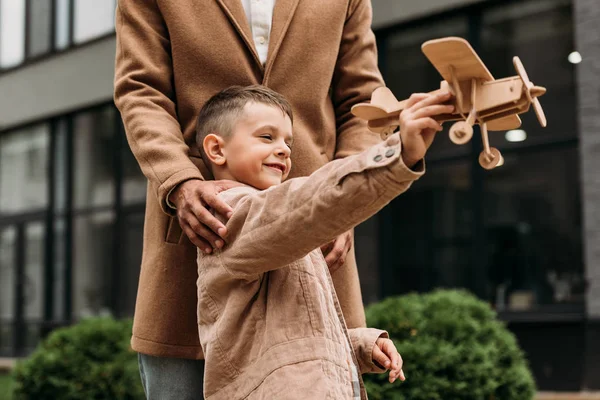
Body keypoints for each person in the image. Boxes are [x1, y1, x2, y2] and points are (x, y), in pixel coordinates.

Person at [114, 0, 399, 398]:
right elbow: (141, 90)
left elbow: (363, 104)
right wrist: (179, 182)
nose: (281, 149)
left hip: (320, 241)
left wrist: (341, 202)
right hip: (199, 232)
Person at [194, 85, 452, 399]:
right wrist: (399, 154)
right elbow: (309, 203)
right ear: (217, 150)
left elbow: (294, 335)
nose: (285, 149)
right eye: (267, 137)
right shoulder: (231, 215)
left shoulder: (277, 226)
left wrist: (360, 345)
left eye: (288, 141)